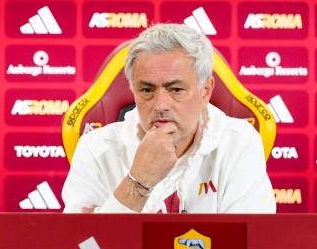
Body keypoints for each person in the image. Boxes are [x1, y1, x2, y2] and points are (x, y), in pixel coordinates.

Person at [62, 23, 276, 214]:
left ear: (205, 91)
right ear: (133, 90)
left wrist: (107, 214)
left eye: (176, 89)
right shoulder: (94, 148)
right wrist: (139, 181)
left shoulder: (239, 142)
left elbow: (247, 248)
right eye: (147, 90)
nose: (160, 105)